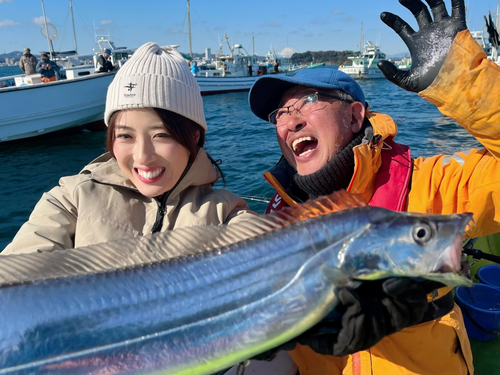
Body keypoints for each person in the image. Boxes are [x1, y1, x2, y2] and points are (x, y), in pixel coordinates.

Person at [248, 0, 500, 374]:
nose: (291, 121)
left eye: (308, 102)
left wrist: (461, 77)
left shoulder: (430, 186)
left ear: (354, 116)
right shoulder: (277, 220)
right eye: (280, 113)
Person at [2, 42, 253, 255]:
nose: (143, 156)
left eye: (162, 134)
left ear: (194, 137)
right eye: (125, 135)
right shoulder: (70, 199)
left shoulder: (225, 212)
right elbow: (19, 274)